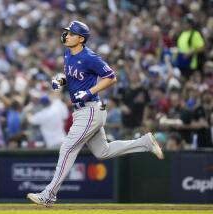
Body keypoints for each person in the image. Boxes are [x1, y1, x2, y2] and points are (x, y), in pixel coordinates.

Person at [26, 20, 164, 207]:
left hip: (90, 109)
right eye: (67, 32)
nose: (67, 35)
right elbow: (72, 74)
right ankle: (144, 142)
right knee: (102, 152)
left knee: (67, 148)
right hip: (84, 111)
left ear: (81, 39)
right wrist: (61, 80)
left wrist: (90, 91)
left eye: (71, 33)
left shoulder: (90, 56)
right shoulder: (68, 53)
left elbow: (111, 78)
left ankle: (49, 194)